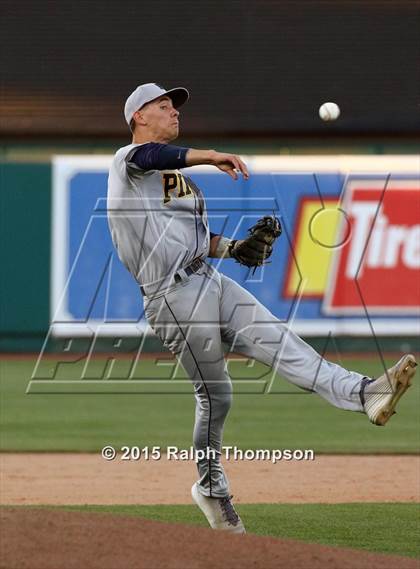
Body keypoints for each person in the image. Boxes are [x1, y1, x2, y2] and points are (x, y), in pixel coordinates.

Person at [107, 83, 417, 534]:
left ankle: (365, 393)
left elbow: (197, 241)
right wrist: (210, 154)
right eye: (163, 105)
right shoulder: (127, 163)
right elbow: (150, 157)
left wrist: (237, 248)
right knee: (218, 397)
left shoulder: (183, 182)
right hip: (171, 298)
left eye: (174, 105)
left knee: (286, 344)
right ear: (138, 117)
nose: (174, 111)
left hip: (208, 279)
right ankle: (211, 489)